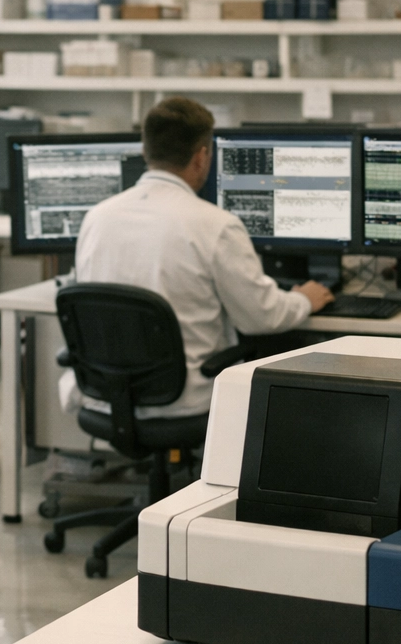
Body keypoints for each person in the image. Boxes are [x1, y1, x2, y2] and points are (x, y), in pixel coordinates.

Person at [66, 97, 333, 420]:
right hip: (186, 400)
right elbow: (261, 317)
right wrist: (304, 299)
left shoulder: (96, 218)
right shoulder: (215, 226)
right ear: (202, 157)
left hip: (104, 394)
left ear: (145, 150)